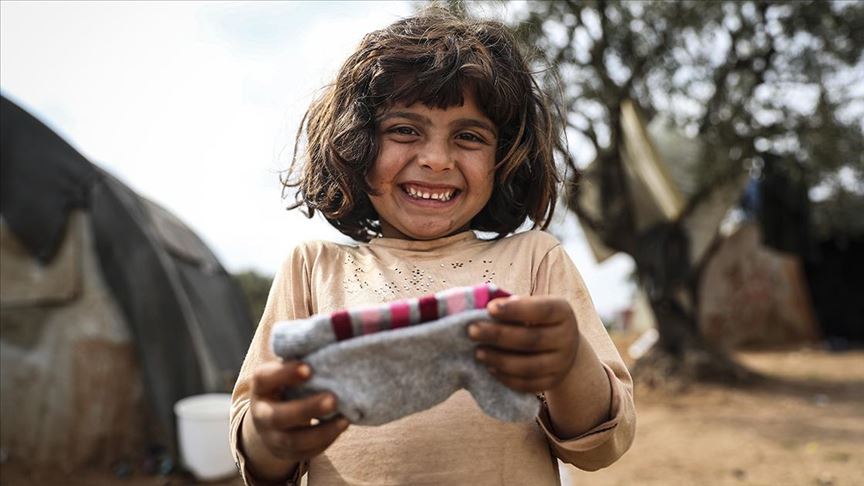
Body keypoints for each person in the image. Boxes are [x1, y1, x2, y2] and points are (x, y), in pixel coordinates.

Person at [230, 8, 635, 485]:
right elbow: (258, 456)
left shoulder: (535, 261)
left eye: (469, 136)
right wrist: (270, 434)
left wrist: (568, 362)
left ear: (504, 157)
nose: (438, 160)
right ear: (358, 143)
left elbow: (601, 444)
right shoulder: (313, 269)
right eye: (404, 130)